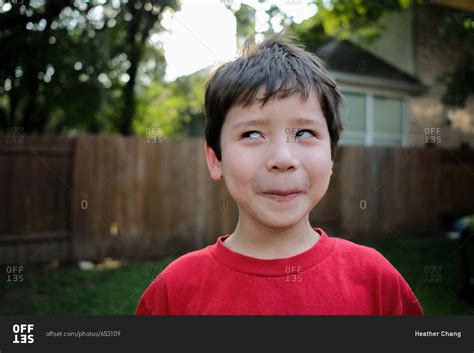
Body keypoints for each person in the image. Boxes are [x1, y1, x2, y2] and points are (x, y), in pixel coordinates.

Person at [135, 34, 424, 315]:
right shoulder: (172, 293)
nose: (283, 159)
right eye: (252, 133)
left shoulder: (377, 281)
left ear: (331, 155)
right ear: (215, 160)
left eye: (304, 133)